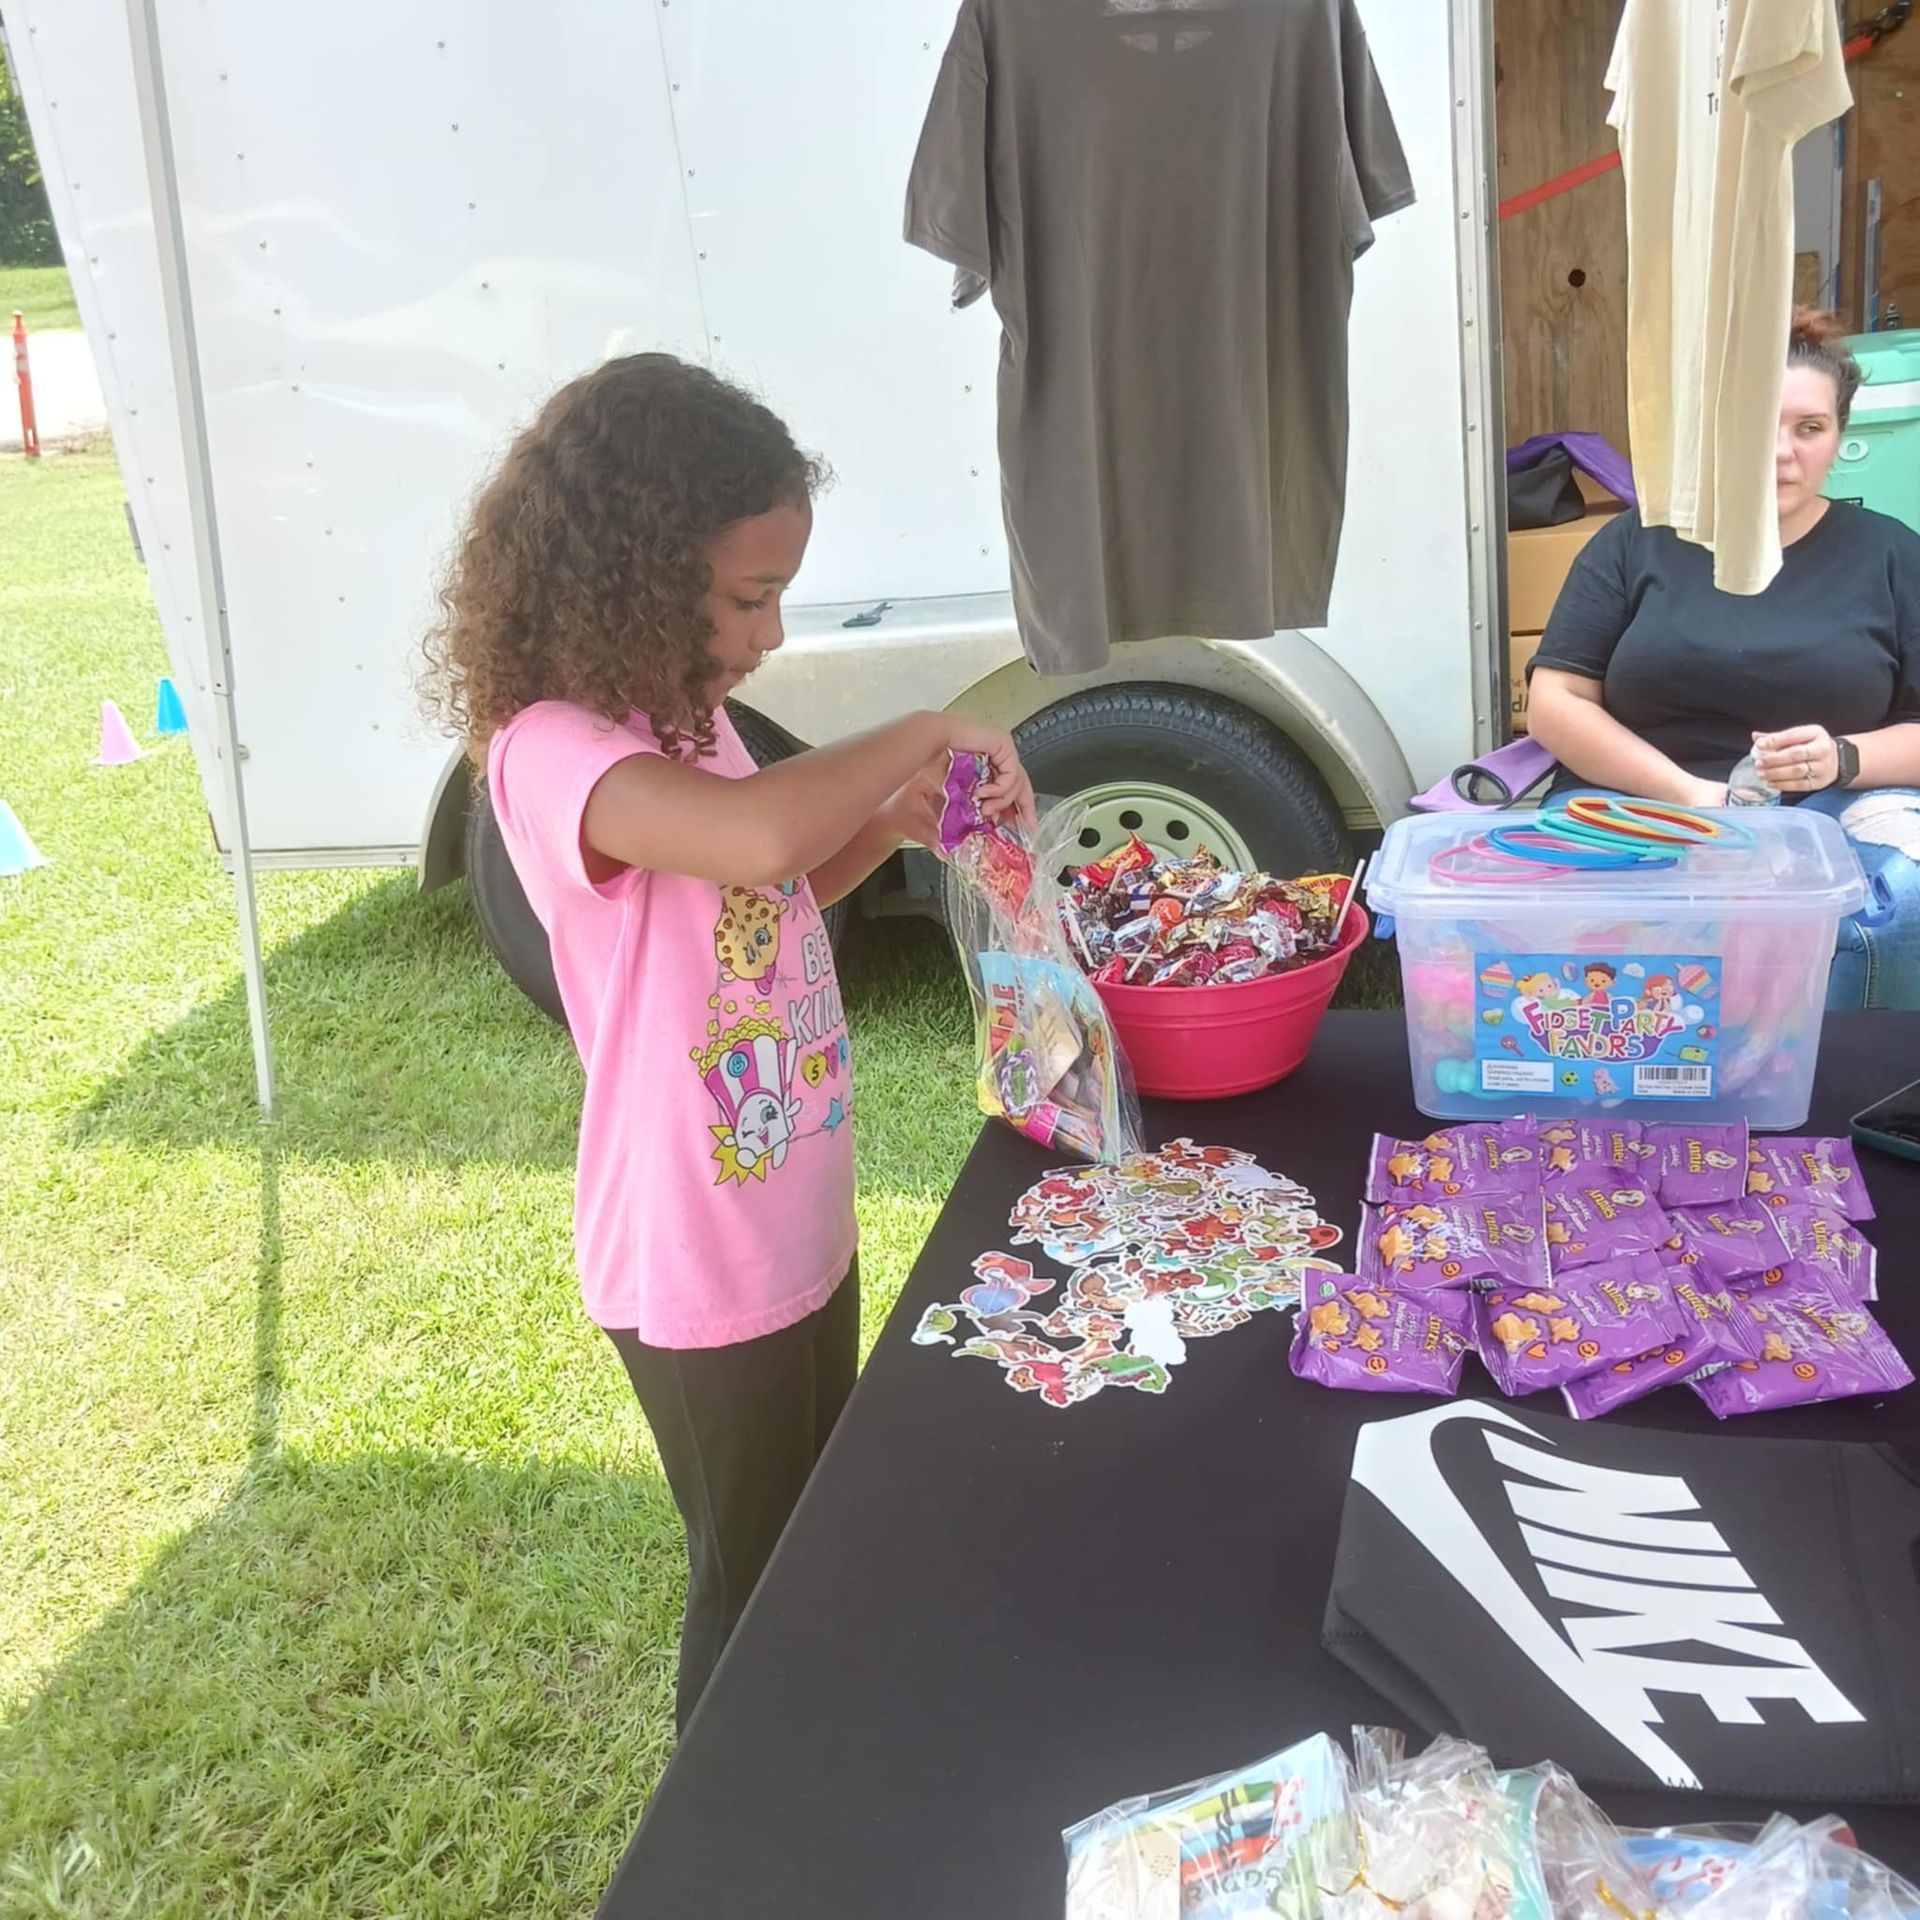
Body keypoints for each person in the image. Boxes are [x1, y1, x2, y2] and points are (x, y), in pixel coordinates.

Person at [421, 354, 1035, 1729]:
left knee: (820, 1547)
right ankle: (722, 1834)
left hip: (792, 1211)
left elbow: (757, 908)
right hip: (697, 1253)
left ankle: (819, 1771)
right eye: (749, 597)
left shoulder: (682, 727)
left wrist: (883, 827)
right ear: (631, 567)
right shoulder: (554, 749)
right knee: (752, 1588)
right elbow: (758, 839)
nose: (768, 636)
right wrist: (920, 730)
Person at [1526, 307, 1920, 1010]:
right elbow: (1556, 703)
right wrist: (1695, 800)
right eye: (1756, 424)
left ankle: (1851, 1085)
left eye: (1810, 428)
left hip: (1836, 807)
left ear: (1839, 437)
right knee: (1608, 916)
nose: (1781, 453)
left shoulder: (1893, 553)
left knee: (1901, 895)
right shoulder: (1635, 541)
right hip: (1641, 802)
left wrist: (1843, 758)